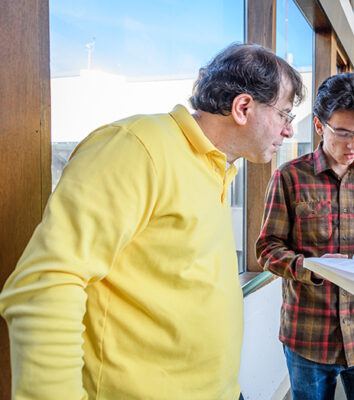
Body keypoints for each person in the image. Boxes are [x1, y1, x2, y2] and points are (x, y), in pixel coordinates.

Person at [0, 43, 304, 400]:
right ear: (243, 107)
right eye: (284, 115)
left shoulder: (218, 167)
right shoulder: (137, 147)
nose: (288, 132)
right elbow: (46, 284)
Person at [256, 72, 354, 400]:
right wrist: (311, 267)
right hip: (309, 337)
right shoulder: (289, 178)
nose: (353, 144)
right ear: (319, 126)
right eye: (342, 132)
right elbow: (267, 249)